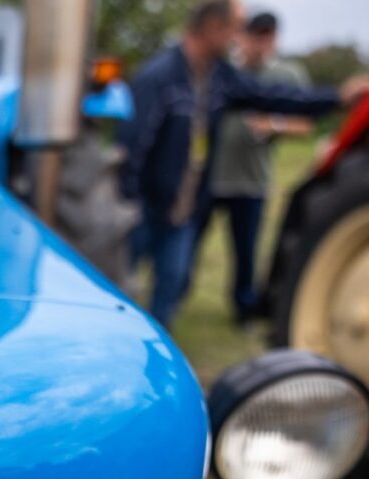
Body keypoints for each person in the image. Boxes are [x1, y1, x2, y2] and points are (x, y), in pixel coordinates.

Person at [117, 0, 369, 329]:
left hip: (185, 211)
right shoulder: (159, 78)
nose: (239, 38)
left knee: (171, 284)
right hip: (147, 207)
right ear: (212, 28)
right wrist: (130, 204)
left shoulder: (218, 77)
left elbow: (273, 95)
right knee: (121, 284)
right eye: (235, 29)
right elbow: (133, 148)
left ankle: (154, 344)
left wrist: (336, 97)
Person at [197, 11, 313, 325]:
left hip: (252, 182)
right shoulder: (227, 71)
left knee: (245, 253)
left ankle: (243, 310)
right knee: (190, 243)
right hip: (213, 178)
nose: (260, 42)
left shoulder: (286, 75)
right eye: (255, 34)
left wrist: (273, 124)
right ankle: (174, 296)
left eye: (267, 35)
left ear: (274, 38)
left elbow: (306, 124)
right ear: (243, 36)